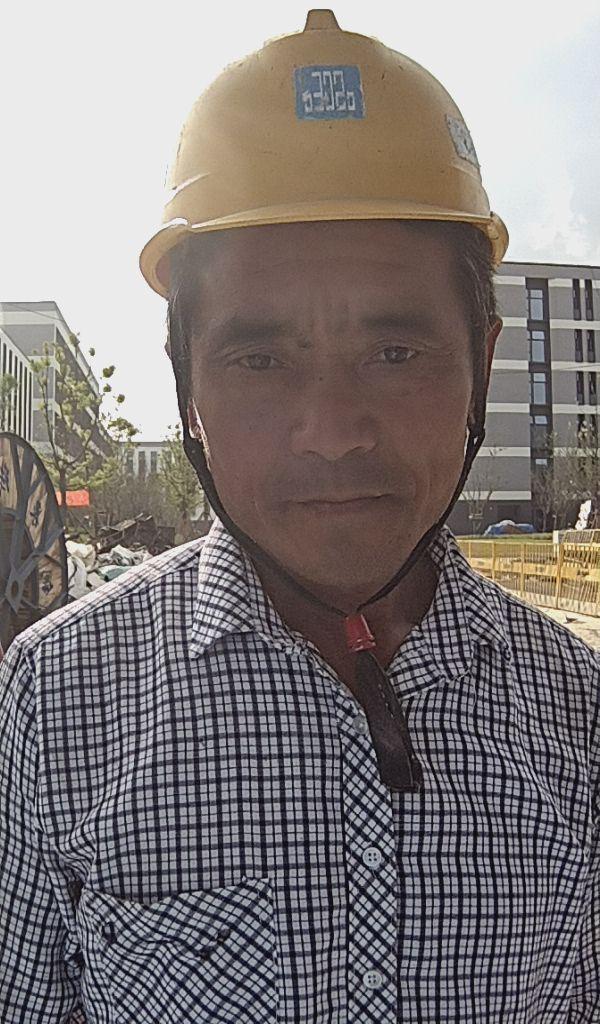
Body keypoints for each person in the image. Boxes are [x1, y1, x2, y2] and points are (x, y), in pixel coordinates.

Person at [1, 10, 598, 1023]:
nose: (331, 433)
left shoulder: (577, 712)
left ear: (482, 360)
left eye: (395, 353)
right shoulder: (55, 700)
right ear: (186, 385)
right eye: (260, 358)